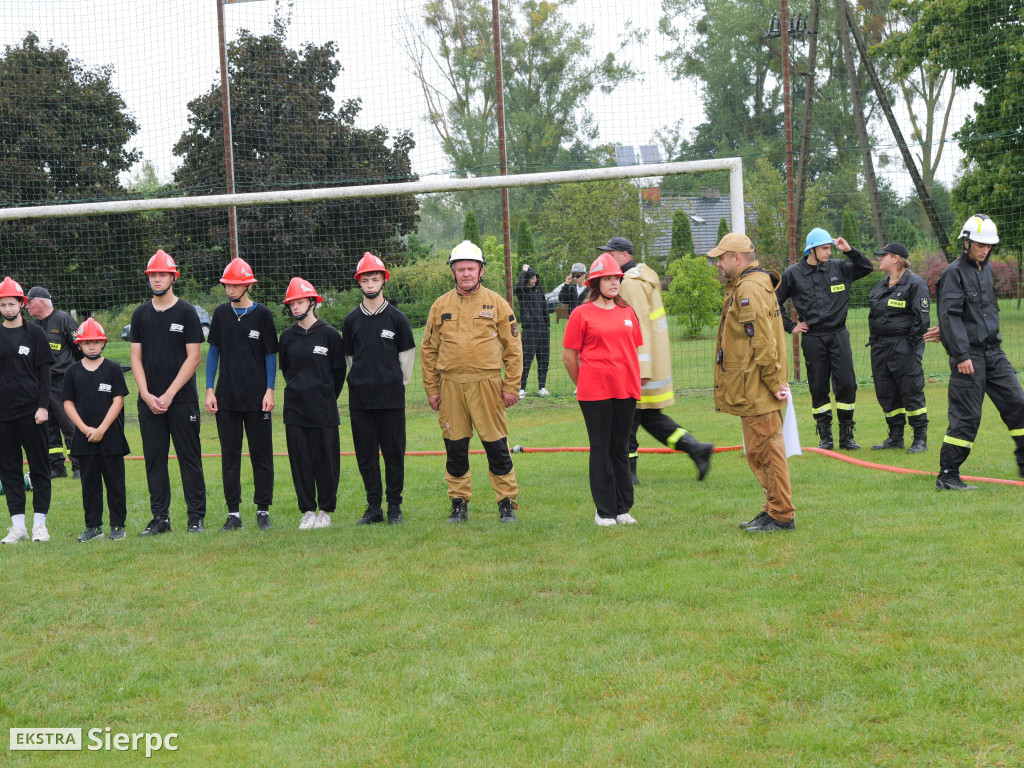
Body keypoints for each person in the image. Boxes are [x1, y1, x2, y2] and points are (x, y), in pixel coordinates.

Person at [421, 240, 523, 524]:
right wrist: (432, 389)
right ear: (453, 271)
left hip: (487, 384)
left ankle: (506, 502)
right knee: (455, 448)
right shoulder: (440, 305)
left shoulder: (497, 303)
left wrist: (511, 386)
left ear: (481, 271)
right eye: (460, 268)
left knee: (496, 445)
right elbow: (428, 350)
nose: (466, 273)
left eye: (471, 268)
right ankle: (458, 503)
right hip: (450, 386)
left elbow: (513, 348)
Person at [598, 236, 714, 484]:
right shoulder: (641, 278)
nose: (607, 258)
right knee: (651, 419)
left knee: (626, 419)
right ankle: (696, 449)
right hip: (646, 363)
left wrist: (640, 368)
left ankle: (628, 472)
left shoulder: (630, 283)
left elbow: (636, 326)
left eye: (611, 253)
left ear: (625, 255)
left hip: (638, 365)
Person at [928, 214, 1024, 490]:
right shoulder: (953, 274)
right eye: (980, 245)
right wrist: (961, 355)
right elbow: (951, 315)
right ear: (967, 242)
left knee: (1018, 404)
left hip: (995, 353)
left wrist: (947, 330)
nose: (985, 250)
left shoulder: (987, 271)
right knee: (966, 416)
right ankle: (948, 475)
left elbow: (975, 313)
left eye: (989, 245)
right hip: (969, 357)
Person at [710, 234, 795, 533]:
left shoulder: (748, 288)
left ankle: (781, 514)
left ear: (737, 258)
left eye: (721, 258)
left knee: (766, 451)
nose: (718, 264)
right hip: (754, 385)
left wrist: (773, 383)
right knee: (761, 450)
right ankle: (772, 508)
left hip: (757, 385)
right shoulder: (752, 283)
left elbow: (762, 342)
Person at [130, 250, 207, 536]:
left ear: (174, 277)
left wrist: (170, 393)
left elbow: (194, 357)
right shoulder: (140, 314)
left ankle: (196, 518)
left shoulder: (187, 312)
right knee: (155, 460)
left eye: (162, 274)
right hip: (149, 402)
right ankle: (160, 518)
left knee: (189, 458)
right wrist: (146, 394)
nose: (157, 279)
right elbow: (135, 358)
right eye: (153, 275)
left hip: (181, 399)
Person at [562, 255, 643, 525]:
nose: (614, 283)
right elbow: (568, 356)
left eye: (616, 278)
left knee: (620, 447)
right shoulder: (581, 314)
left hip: (626, 390)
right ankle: (604, 511)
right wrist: (584, 383)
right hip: (594, 392)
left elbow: (633, 349)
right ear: (596, 283)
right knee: (600, 447)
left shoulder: (628, 312)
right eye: (607, 279)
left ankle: (622, 508)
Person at [776, 227, 873, 450]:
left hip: (839, 335)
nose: (829, 252)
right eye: (825, 248)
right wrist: (790, 326)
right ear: (811, 249)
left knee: (847, 384)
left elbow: (866, 267)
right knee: (818, 386)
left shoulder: (840, 267)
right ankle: (825, 437)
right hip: (813, 337)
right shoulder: (793, 273)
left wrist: (848, 250)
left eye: (830, 248)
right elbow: (774, 301)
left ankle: (847, 436)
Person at [205, 257, 279, 532]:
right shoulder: (220, 314)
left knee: (262, 455)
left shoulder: (263, 315)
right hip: (227, 399)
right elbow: (213, 353)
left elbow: (270, 356)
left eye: (235, 285)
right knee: (230, 456)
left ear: (247, 285)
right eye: (227, 285)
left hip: (258, 399)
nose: (230, 289)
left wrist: (270, 390)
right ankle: (233, 513)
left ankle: (263, 510)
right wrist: (209, 389)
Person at [343, 253, 415, 525]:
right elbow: (351, 359)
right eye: (365, 280)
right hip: (360, 400)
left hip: (391, 399)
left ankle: (394, 506)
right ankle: (374, 507)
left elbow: (406, 360)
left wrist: (392, 384)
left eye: (375, 279)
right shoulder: (351, 321)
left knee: (394, 452)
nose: (370, 284)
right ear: (359, 282)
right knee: (366, 454)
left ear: (384, 280)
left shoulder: (397, 319)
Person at [279, 277, 346, 529]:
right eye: (292, 303)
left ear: (312, 302)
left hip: (324, 411)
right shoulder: (286, 337)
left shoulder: (330, 335)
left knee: (326, 461)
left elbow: (338, 373)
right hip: (295, 410)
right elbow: (286, 370)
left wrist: (324, 396)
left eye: (300, 302)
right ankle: (307, 511)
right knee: (300, 462)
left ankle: (325, 511)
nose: (295, 307)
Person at [62, 318, 130, 542]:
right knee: (89, 484)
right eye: (87, 342)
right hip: (84, 439)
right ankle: (93, 527)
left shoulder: (113, 369)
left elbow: (118, 401)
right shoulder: (72, 371)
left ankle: (118, 525)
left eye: (96, 342)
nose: (91, 346)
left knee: (115, 482)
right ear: (79, 345)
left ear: (103, 343)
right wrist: (85, 429)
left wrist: (101, 429)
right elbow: (68, 403)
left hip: (111, 437)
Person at [0, 277, 54, 544]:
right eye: (3, 304)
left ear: (22, 304)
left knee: (39, 467)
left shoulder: (35, 333)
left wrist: (43, 406)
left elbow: (45, 375)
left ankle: (39, 525)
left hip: (32, 413)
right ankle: (18, 526)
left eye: (11, 303)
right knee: (9, 470)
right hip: (3, 416)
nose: (7, 308)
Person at [866, 242, 931, 453]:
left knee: (911, 391)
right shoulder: (881, 285)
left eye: (883, 255)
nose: (879, 258)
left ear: (896, 258)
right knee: (886, 392)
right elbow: (873, 316)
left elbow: (921, 320)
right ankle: (895, 437)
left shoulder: (915, 284)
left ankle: (920, 439)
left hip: (904, 346)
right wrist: (876, 341)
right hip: (880, 347)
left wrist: (910, 345)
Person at [26, 285, 83, 479]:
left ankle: (79, 466)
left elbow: (80, 348)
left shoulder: (63, 320)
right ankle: (56, 467)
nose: (26, 306)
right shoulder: (34, 326)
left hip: (62, 381)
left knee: (68, 423)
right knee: (47, 426)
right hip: (42, 383)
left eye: (30, 303)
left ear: (41, 302)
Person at [514, 263, 551, 398]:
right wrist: (524, 271)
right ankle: (521, 388)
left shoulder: (538, 290)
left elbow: (544, 306)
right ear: (527, 278)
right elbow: (518, 287)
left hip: (543, 329)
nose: (535, 280)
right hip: (530, 329)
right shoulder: (522, 292)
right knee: (526, 359)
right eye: (532, 278)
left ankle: (542, 387)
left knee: (544, 359)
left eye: (536, 277)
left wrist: (547, 325)